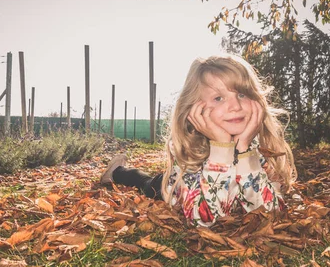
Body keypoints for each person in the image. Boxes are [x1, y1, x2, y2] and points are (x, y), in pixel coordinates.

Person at [100, 54, 296, 227]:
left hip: (228, 165)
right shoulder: (189, 150)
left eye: (241, 94)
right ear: (195, 110)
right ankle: (117, 171)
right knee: (144, 182)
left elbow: (270, 213)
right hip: (170, 186)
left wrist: (244, 151)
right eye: (218, 98)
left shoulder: (258, 150)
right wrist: (221, 147)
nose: (235, 106)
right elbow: (203, 219)